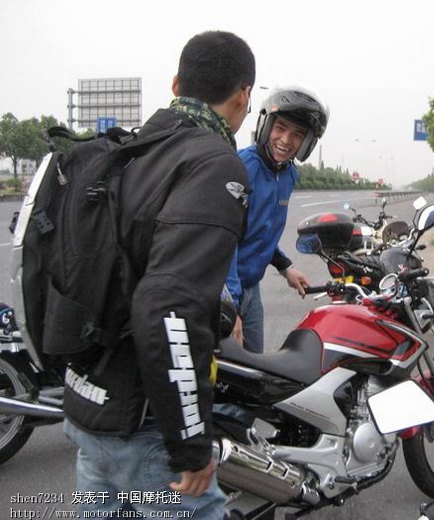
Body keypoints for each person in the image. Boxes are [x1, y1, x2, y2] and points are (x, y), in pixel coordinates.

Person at [62, 31, 255, 519]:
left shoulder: (131, 152)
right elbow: (169, 306)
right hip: (143, 432)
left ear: (175, 84)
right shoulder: (213, 163)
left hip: (88, 410)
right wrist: (191, 445)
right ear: (244, 96)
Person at [225, 85, 329, 352]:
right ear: (266, 125)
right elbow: (223, 241)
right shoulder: (240, 167)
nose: (285, 139)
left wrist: (285, 268)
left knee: (254, 369)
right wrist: (228, 306)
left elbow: (262, 232)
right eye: (280, 127)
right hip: (225, 288)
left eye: (298, 134)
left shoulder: (288, 175)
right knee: (223, 372)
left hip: (251, 289)